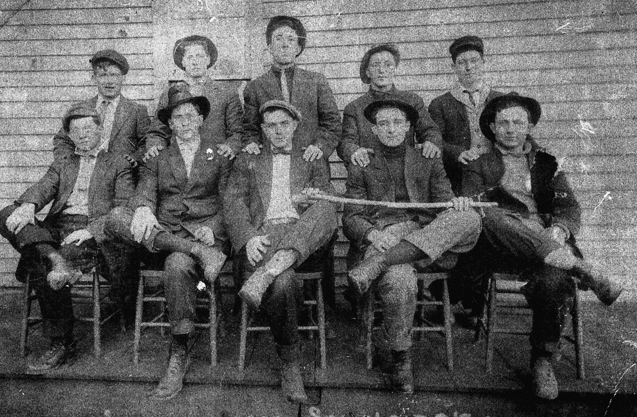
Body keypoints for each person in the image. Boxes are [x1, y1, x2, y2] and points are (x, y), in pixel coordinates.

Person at [458, 92, 622, 400]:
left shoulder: (547, 163)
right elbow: (474, 208)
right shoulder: (477, 164)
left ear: (530, 125)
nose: (510, 128)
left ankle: (542, 360)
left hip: (548, 246)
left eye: (518, 122)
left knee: (555, 278)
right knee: (488, 214)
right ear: (492, 127)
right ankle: (582, 268)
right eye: (503, 122)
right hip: (502, 247)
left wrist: (559, 229)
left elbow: (570, 207)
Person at [342, 99, 481, 394]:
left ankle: (381, 262)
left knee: (469, 218)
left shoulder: (427, 158)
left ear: (408, 127)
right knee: (400, 278)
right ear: (374, 129)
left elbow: (444, 204)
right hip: (384, 239)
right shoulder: (362, 163)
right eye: (383, 124)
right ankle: (401, 357)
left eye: (397, 123)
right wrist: (371, 236)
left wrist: (456, 202)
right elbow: (351, 217)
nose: (391, 129)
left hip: (426, 241)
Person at [104, 89, 231, 400]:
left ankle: (180, 349)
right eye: (177, 117)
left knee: (177, 265)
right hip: (164, 237)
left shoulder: (219, 155)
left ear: (201, 120)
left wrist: (213, 231)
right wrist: (145, 206)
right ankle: (199, 253)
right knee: (117, 218)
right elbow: (144, 189)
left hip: (205, 237)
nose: (184, 122)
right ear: (170, 125)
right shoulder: (158, 158)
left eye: (190, 115)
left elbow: (231, 202)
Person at [0, 103, 136, 372]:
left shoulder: (118, 163)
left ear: (100, 129)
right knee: (7, 213)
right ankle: (54, 256)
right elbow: (43, 187)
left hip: (92, 231)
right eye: (75, 130)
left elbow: (124, 207)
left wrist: (91, 230)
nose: (82, 134)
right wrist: (29, 206)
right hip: (58, 227)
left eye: (88, 128)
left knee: (39, 260)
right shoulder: (63, 163)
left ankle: (61, 342)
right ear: (69, 136)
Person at [224, 100, 338, 405]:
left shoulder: (312, 158)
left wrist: (309, 199)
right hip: (262, 238)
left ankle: (270, 270)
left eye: (284, 124)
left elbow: (324, 207)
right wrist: (247, 238)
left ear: (296, 126)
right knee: (284, 283)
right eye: (271, 125)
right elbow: (233, 203)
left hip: (302, 239)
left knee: (327, 206)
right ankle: (290, 365)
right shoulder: (248, 160)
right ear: (262, 129)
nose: (278, 130)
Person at [242, 15, 341, 162]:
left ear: (298, 48)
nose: (285, 45)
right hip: (271, 164)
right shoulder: (255, 87)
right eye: (279, 38)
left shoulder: (316, 81)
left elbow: (332, 123)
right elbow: (250, 129)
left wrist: (319, 146)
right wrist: (252, 143)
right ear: (269, 47)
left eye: (291, 39)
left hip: (309, 161)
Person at [338, 44, 442, 167]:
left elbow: (429, 130)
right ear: (368, 72)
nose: (382, 70)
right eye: (375, 65)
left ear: (395, 69)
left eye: (388, 65)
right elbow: (346, 142)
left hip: (406, 171)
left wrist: (430, 142)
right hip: (370, 171)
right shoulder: (355, 107)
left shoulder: (412, 101)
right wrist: (353, 151)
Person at [144, 35, 243, 160]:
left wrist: (231, 146)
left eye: (200, 56)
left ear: (208, 60)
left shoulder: (227, 93)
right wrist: (156, 146)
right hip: (180, 161)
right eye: (190, 57)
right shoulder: (170, 93)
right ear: (183, 62)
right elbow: (157, 132)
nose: (195, 62)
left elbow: (237, 131)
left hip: (216, 159)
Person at [429, 35, 504, 195]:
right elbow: (434, 141)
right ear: (453, 67)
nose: (468, 67)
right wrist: (458, 153)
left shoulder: (500, 100)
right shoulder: (440, 104)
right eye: (462, 62)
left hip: (500, 173)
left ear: (483, 63)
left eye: (474, 61)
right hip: (461, 176)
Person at [52, 49, 150, 166]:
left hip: (122, 174)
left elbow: (146, 143)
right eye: (103, 75)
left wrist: (133, 158)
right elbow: (63, 140)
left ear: (123, 78)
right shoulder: (80, 108)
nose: (109, 81)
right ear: (94, 78)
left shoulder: (136, 111)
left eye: (114, 75)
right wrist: (69, 164)